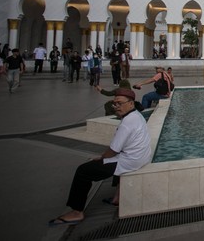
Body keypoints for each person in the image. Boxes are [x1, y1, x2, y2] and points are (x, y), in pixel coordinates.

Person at [48, 88, 152, 226]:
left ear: (131, 103)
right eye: (115, 104)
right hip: (140, 157)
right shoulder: (137, 115)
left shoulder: (127, 123)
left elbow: (113, 150)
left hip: (131, 161)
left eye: (120, 103)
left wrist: (102, 158)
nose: (116, 107)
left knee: (83, 171)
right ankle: (117, 198)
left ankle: (76, 212)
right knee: (115, 160)